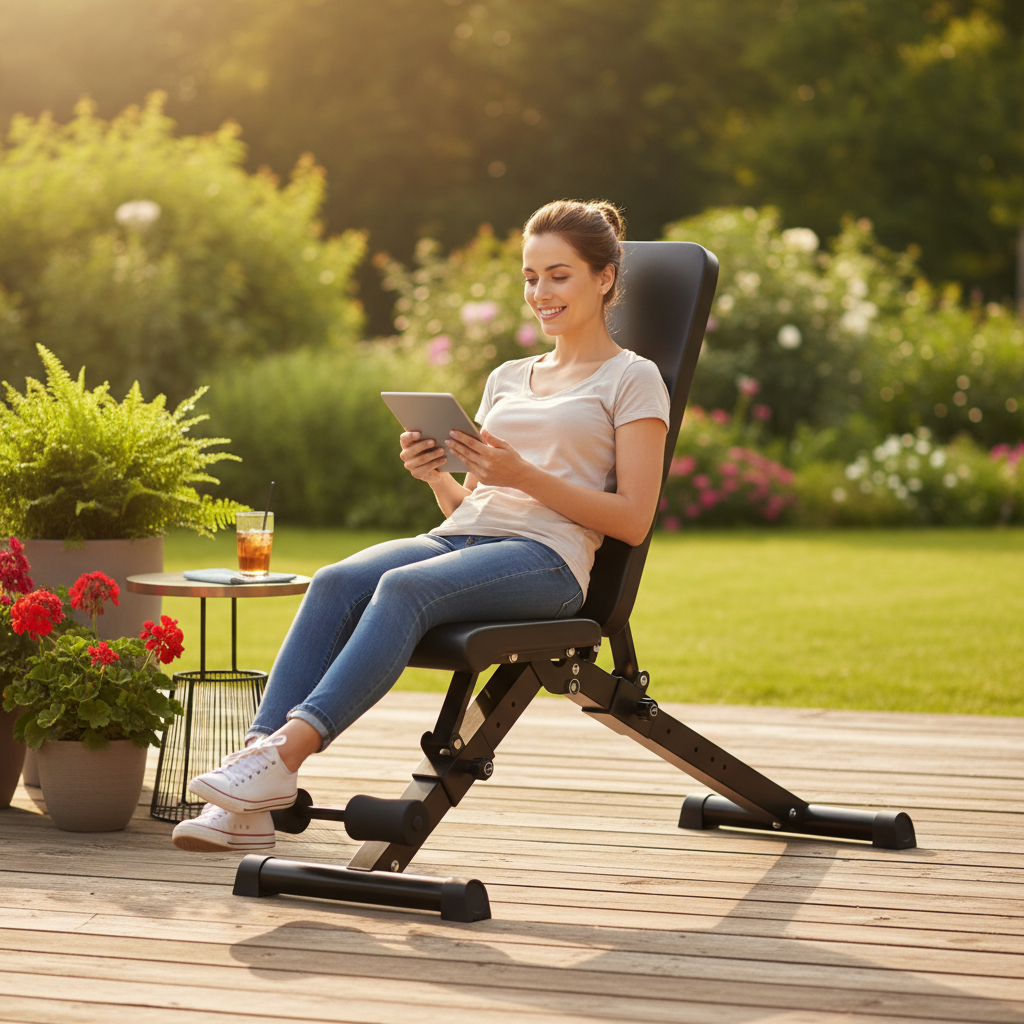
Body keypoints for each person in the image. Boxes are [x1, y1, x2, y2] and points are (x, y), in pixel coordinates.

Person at [172, 199, 670, 852]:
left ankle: (280, 759)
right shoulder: (508, 377)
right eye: (529, 277)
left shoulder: (633, 379)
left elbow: (633, 520)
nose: (539, 293)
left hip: (546, 559)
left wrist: (522, 476)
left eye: (558, 275)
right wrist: (436, 474)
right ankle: (249, 792)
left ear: (604, 278)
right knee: (336, 580)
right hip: (466, 537)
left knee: (404, 588)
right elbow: (471, 505)